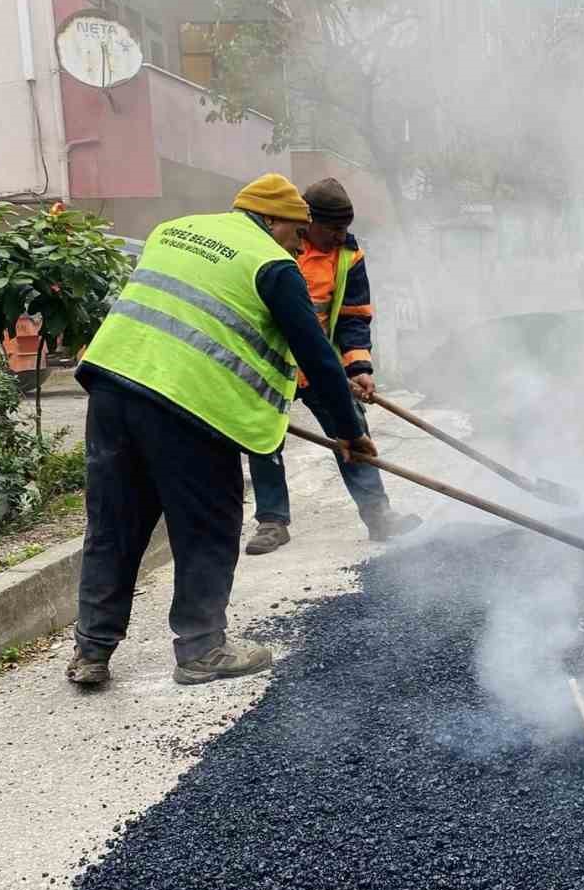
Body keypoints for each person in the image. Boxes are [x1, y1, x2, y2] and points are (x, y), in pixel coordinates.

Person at [66, 173, 376, 689]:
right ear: (272, 220)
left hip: (111, 388)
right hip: (188, 405)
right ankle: (202, 648)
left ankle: (92, 650)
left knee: (114, 526)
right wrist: (349, 431)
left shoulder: (174, 230)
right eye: (297, 232)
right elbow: (316, 356)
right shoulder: (273, 265)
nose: (302, 244)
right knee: (208, 525)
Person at [244, 178, 419, 555]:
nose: (341, 236)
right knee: (264, 436)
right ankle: (273, 522)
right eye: (334, 229)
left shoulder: (349, 256)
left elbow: (355, 315)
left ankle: (378, 515)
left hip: (320, 363)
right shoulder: (276, 246)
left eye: (346, 229)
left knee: (353, 429)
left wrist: (359, 368)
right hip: (273, 363)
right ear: (309, 222)